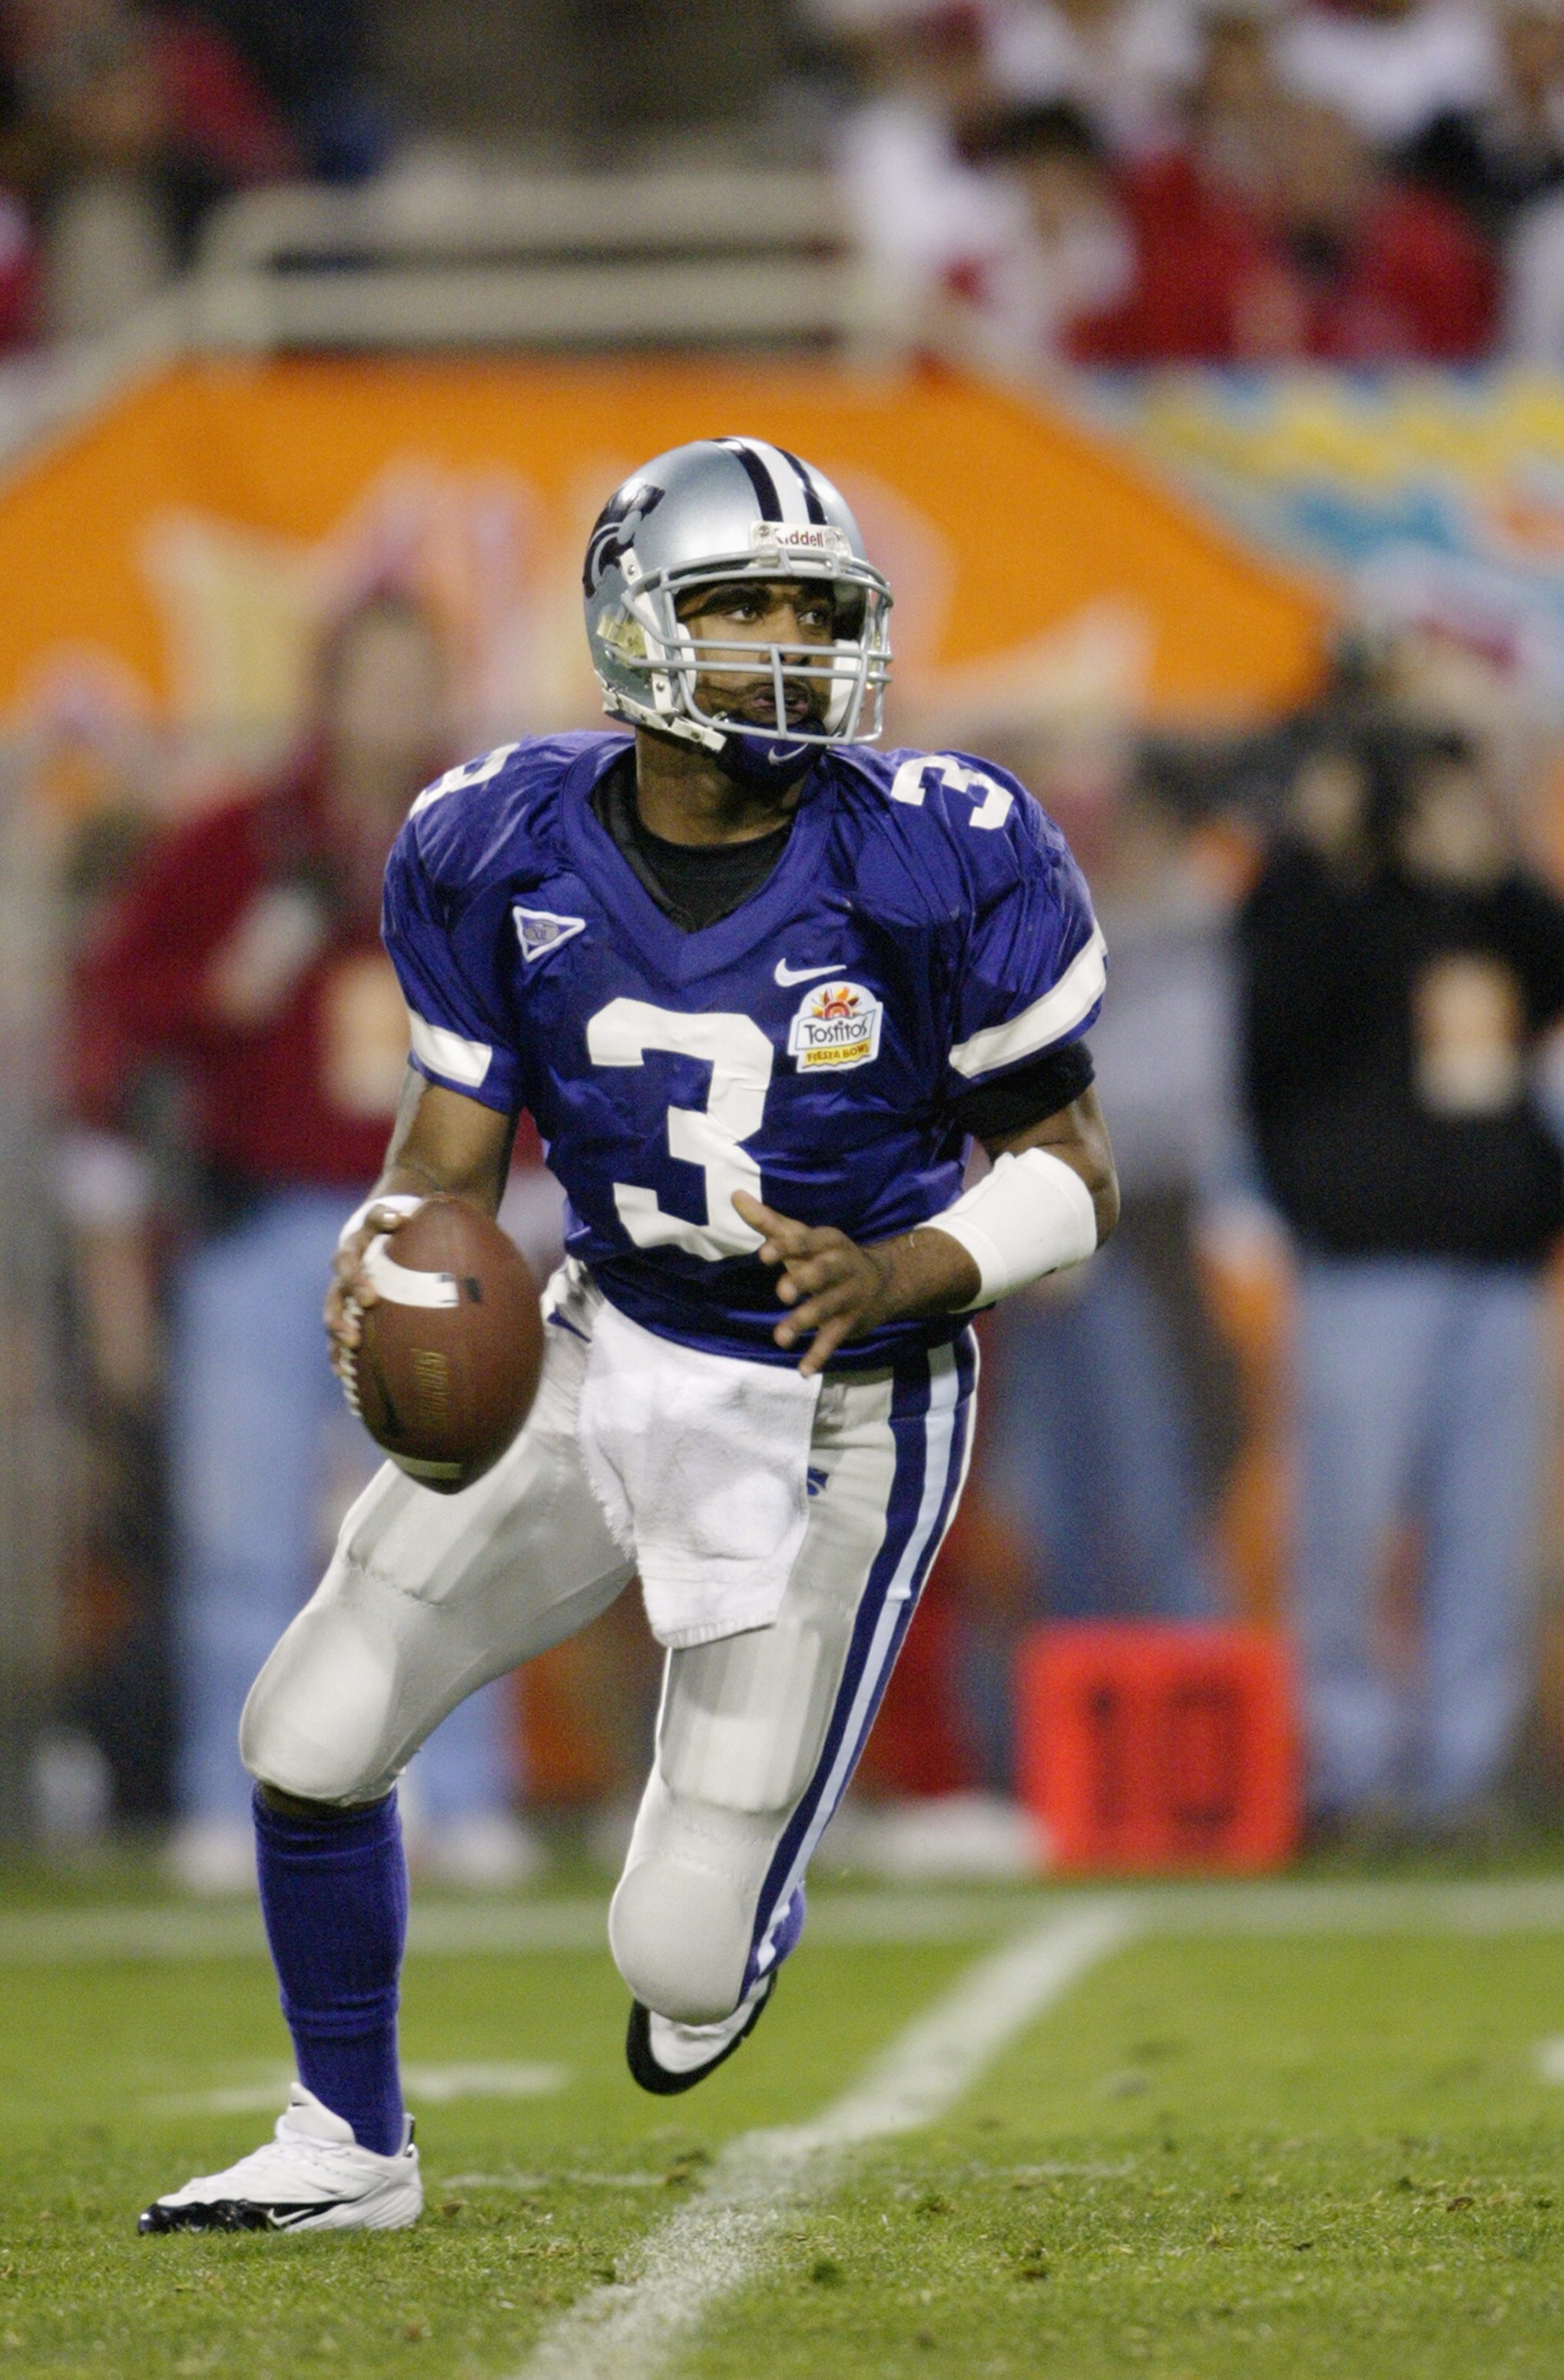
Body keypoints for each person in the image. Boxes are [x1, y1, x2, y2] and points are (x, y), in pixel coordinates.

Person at [139, 435, 1118, 2233]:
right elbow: (445, 1160)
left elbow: (1069, 1168)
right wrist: (394, 1257)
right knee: (309, 1724)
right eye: (737, 605)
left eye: (812, 611)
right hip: (609, 1339)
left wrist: (902, 1272)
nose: (783, 645)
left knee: (670, 1946)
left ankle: (736, 1905)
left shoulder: (936, 847)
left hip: (849, 1398)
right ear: (633, 626)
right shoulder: (491, 833)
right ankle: (347, 2138)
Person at [75, 590, 533, 1893]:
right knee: (244, 1529)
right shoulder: (237, 841)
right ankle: (233, 1798)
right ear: (325, 693)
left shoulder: (484, 837)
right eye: (371, 679)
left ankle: (462, 1788)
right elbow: (126, 1000)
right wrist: (235, 974)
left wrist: (539, 1188)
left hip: (444, 1222)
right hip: (269, 1214)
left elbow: (552, 1016)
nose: (392, 706)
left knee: (457, 1515)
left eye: (414, 678)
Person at [1239, 724, 1564, 1844]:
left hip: (1496, 1266)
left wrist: (1498, 859)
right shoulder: (1315, 904)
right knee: (1348, 1530)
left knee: (1487, 1533)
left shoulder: (1489, 905)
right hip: (1364, 1264)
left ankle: (1461, 1776)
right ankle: (1350, 1769)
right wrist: (1325, 853)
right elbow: (1273, 1023)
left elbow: (1551, 968)